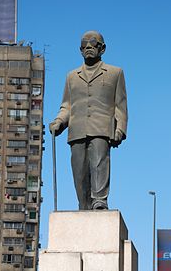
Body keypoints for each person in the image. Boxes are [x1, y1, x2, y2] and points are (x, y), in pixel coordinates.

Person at [49, 30, 128, 210]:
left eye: (94, 44)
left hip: (102, 128)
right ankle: (84, 205)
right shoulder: (72, 76)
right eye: (85, 45)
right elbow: (67, 105)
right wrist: (59, 121)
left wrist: (120, 129)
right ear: (80, 49)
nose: (89, 48)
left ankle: (100, 200)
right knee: (80, 173)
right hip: (76, 130)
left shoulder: (115, 73)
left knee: (99, 164)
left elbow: (120, 105)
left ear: (103, 49)